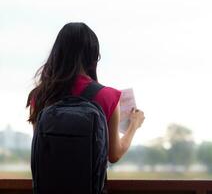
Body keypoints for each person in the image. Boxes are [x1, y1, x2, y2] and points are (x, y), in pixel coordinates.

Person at [26, 22, 145, 163]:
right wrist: (134, 125)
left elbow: (40, 150)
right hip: (88, 185)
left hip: (47, 185)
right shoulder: (108, 96)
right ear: (93, 56)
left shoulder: (40, 96)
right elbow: (114, 155)